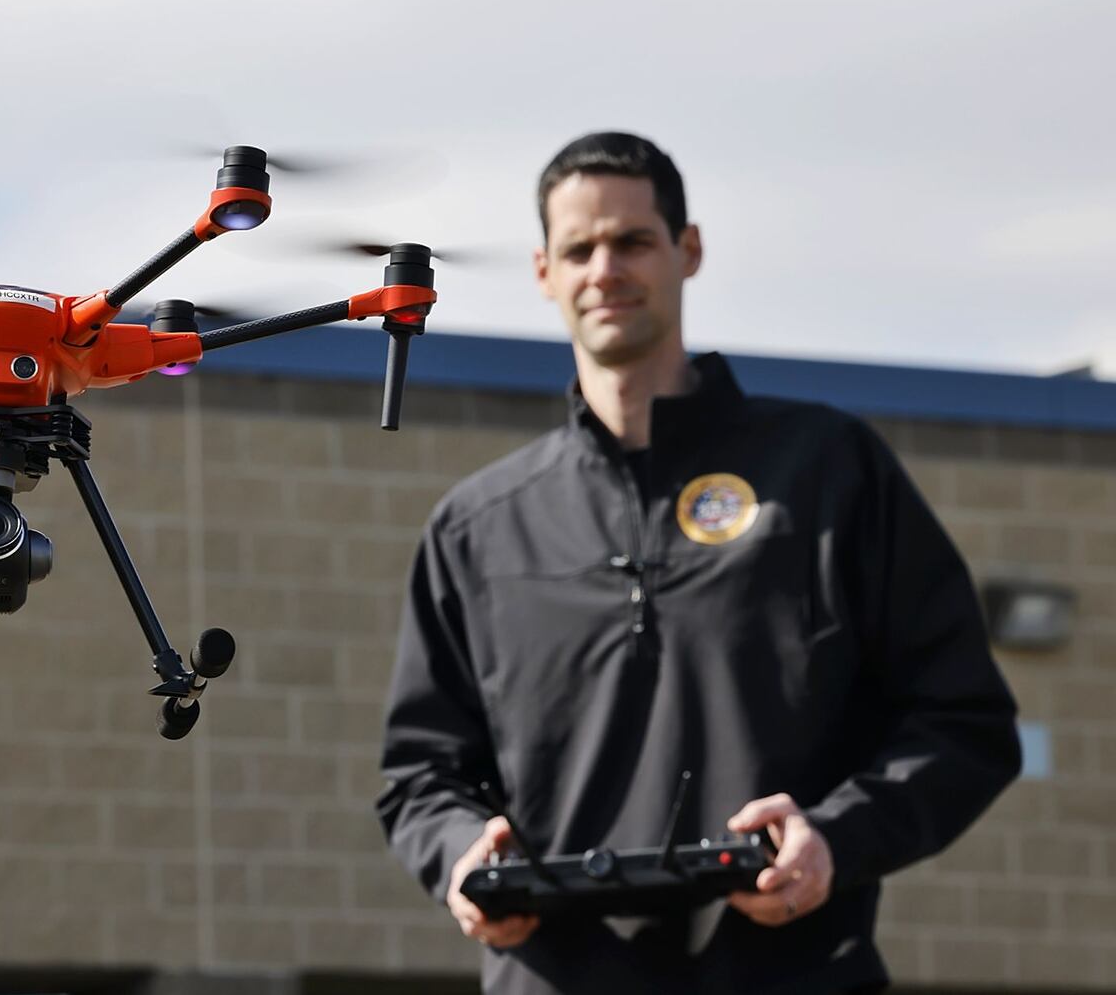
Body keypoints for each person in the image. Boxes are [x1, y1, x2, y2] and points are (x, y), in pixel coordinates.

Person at [376, 132, 1022, 994]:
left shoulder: (829, 472)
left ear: (689, 249)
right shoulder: (478, 527)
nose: (605, 267)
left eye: (633, 240)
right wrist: (462, 856)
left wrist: (835, 835)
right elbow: (421, 773)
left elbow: (963, 724)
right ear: (543, 270)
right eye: (579, 248)